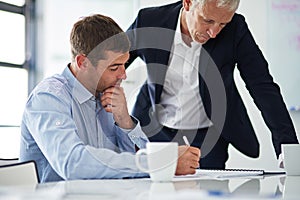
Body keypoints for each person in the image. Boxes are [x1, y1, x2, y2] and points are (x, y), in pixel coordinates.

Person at [19, 14, 200, 183]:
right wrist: (161, 163)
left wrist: (125, 121)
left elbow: (126, 164)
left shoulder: (107, 93)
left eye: (124, 65)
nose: (123, 75)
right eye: (114, 67)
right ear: (83, 62)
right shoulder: (48, 98)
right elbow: (73, 164)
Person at [126, 0, 299, 169]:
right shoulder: (149, 20)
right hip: (156, 130)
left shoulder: (235, 29)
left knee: (209, 193)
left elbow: (262, 85)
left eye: (222, 24)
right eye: (207, 20)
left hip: (209, 137)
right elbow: (112, 59)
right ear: (187, 3)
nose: (214, 32)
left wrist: (288, 147)